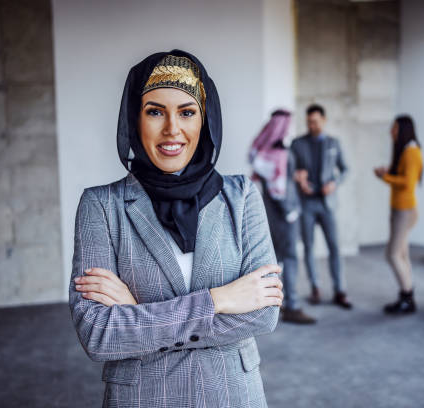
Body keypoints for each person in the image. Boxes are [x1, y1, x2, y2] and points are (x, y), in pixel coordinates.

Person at [69, 50, 282, 408]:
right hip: (143, 398)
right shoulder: (100, 206)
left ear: (205, 119)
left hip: (231, 395)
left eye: (187, 112)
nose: (172, 129)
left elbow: (263, 314)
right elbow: (99, 334)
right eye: (155, 111)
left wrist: (138, 313)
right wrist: (220, 300)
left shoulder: (242, 196)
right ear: (135, 119)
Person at [249, 109, 317, 324]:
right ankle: (292, 305)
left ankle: (269, 304)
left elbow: (273, 181)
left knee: (273, 259)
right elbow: (280, 189)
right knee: (289, 258)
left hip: (270, 214)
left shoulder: (264, 151)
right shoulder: (281, 154)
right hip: (285, 214)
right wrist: (291, 211)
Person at [290, 104, 351, 309]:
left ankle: (340, 290)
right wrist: (299, 179)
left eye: (315, 121)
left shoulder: (334, 143)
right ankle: (315, 287)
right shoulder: (297, 144)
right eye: (309, 122)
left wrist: (335, 183)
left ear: (323, 120)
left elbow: (345, 169)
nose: (312, 125)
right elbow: (289, 170)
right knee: (308, 247)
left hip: (328, 203)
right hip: (306, 203)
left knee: (334, 246)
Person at [374, 115, 423, 314]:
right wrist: (388, 174)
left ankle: (407, 296)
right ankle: (407, 294)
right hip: (400, 209)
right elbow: (403, 178)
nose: (391, 132)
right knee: (402, 254)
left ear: (403, 130)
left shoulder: (411, 152)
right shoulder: (405, 151)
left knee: (393, 255)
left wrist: (385, 176)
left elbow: (407, 183)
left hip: (405, 211)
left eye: (394, 129)